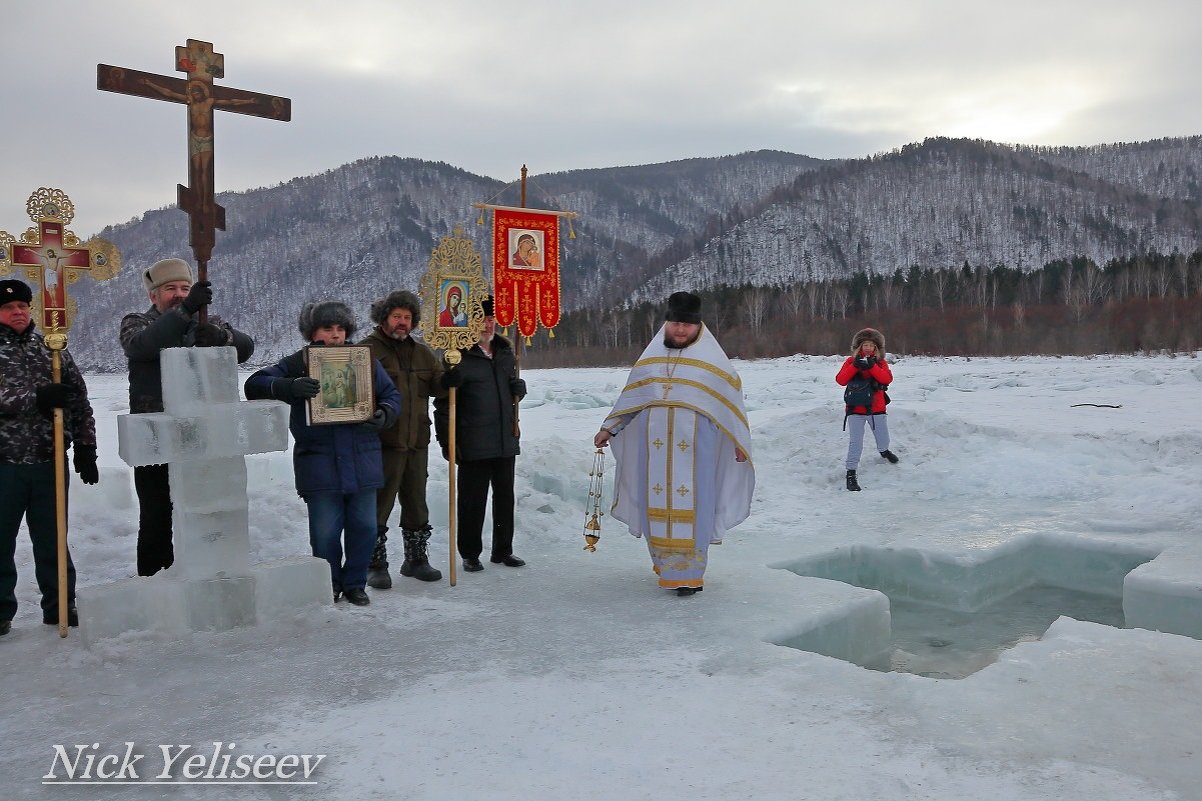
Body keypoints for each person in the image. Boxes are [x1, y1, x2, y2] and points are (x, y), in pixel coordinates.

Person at [593, 291, 754, 597]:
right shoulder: (650, 362)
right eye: (675, 323)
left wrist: (738, 440)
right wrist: (610, 428)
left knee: (694, 508)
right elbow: (632, 400)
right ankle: (666, 566)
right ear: (666, 323)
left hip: (697, 452)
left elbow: (730, 406)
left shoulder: (713, 364)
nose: (680, 330)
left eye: (687, 325)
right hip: (654, 453)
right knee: (657, 508)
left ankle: (690, 573)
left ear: (699, 327)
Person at [244, 301, 401, 606]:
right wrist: (287, 386)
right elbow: (254, 384)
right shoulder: (300, 361)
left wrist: (385, 413)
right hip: (319, 464)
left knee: (365, 528)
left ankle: (355, 583)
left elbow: (391, 395)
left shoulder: (362, 360)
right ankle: (327, 583)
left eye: (341, 328)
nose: (335, 335)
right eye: (328, 328)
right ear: (313, 331)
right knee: (326, 532)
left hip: (363, 459)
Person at [120, 258, 254, 576]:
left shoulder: (206, 321)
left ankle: (209, 576)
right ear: (154, 295)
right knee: (156, 517)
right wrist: (184, 314)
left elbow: (247, 347)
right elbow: (143, 346)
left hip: (201, 434)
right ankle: (156, 586)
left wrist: (221, 338)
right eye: (170, 289)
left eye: (184, 288)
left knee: (205, 511)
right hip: (155, 437)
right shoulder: (135, 322)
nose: (179, 294)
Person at [0, 279, 99, 634]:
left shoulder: (52, 349)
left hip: (48, 459)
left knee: (53, 538)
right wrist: (35, 398)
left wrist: (86, 447)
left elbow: (78, 400)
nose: (18, 312)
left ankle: (59, 604)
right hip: (5, 463)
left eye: (24, 306)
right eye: (10, 308)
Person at [434, 295, 528, 572]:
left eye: (490, 319)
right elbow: (443, 404)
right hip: (472, 440)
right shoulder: (459, 356)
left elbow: (505, 395)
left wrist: (518, 392)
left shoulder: (506, 353)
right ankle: (470, 552)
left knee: (504, 499)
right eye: (480, 319)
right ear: (469, 322)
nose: (487, 325)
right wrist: (446, 441)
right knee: (472, 501)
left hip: (504, 439)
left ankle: (503, 550)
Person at [362, 290, 447, 587]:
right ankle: (374, 563)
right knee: (378, 502)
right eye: (396, 316)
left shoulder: (423, 352)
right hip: (381, 442)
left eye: (407, 318)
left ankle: (416, 559)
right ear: (384, 318)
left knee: (416, 501)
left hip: (417, 441)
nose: (402, 322)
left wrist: (449, 380)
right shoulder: (367, 351)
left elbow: (438, 385)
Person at [835, 327, 899, 492]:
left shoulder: (880, 362)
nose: (868, 348)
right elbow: (841, 380)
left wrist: (872, 367)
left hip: (876, 409)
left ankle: (884, 451)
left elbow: (886, 379)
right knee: (855, 443)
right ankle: (851, 473)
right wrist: (855, 366)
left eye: (871, 345)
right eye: (865, 345)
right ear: (859, 347)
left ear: (877, 348)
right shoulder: (850, 361)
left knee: (883, 439)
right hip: (855, 409)